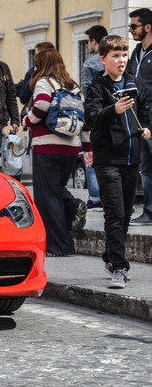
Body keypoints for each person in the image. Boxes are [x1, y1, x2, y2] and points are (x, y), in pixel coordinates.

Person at [85, 35, 151, 288]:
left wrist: (145, 127)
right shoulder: (97, 87)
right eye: (115, 56)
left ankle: (111, 257)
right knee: (114, 214)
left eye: (124, 55)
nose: (121, 60)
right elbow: (90, 119)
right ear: (103, 59)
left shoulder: (133, 83)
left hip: (131, 158)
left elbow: (144, 109)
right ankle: (120, 268)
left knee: (125, 215)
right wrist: (114, 110)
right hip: (107, 160)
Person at [22, 48, 90, 256]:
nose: (34, 67)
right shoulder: (73, 86)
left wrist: (27, 120)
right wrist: (87, 148)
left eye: (37, 63)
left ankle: (58, 246)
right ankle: (74, 205)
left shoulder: (44, 82)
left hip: (47, 147)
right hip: (70, 148)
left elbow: (41, 105)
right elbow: (85, 120)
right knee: (57, 191)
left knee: (47, 197)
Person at [127, 8, 152, 226]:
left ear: (147, 26)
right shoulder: (136, 52)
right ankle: (149, 212)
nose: (130, 29)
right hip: (140, 119)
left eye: (134, 26)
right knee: (146, 168)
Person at [82, 25, 109, 212]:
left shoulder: (89, 64)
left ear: (94, 41)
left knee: (91, 156)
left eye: (88, 42)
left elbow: (86, 90)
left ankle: (95, 198)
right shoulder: (117, 59)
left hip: (96, 114)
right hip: (116, 112)